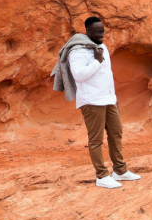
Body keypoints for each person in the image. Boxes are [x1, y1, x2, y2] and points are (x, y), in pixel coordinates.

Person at [51, 16, 141, 189]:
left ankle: (120, 171)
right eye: (98, 32)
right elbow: (78, 75)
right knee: (96, 140)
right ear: (88, 31)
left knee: (116, 134)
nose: (102, 34)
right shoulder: (77, 51)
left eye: (103, 31)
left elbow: (106, 74)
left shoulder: (102, 47)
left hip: (108, 99)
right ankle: (101, 175)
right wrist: (96, 61)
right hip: (92, 101)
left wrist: (112, 96)